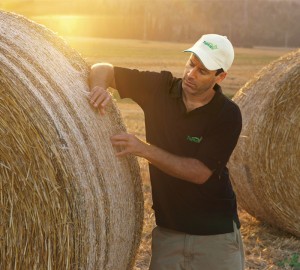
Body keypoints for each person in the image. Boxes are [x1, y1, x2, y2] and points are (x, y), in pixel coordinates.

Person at [88, 34, 245, 270]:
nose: (191, 74)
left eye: (203, 71)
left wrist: (143, 149)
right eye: (191, 63)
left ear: (220, 76)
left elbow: (199, 172)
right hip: (168, 233)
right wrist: (98, 88)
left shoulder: (227, 115)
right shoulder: (160, 87)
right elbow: (103, 69)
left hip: (215, 237)